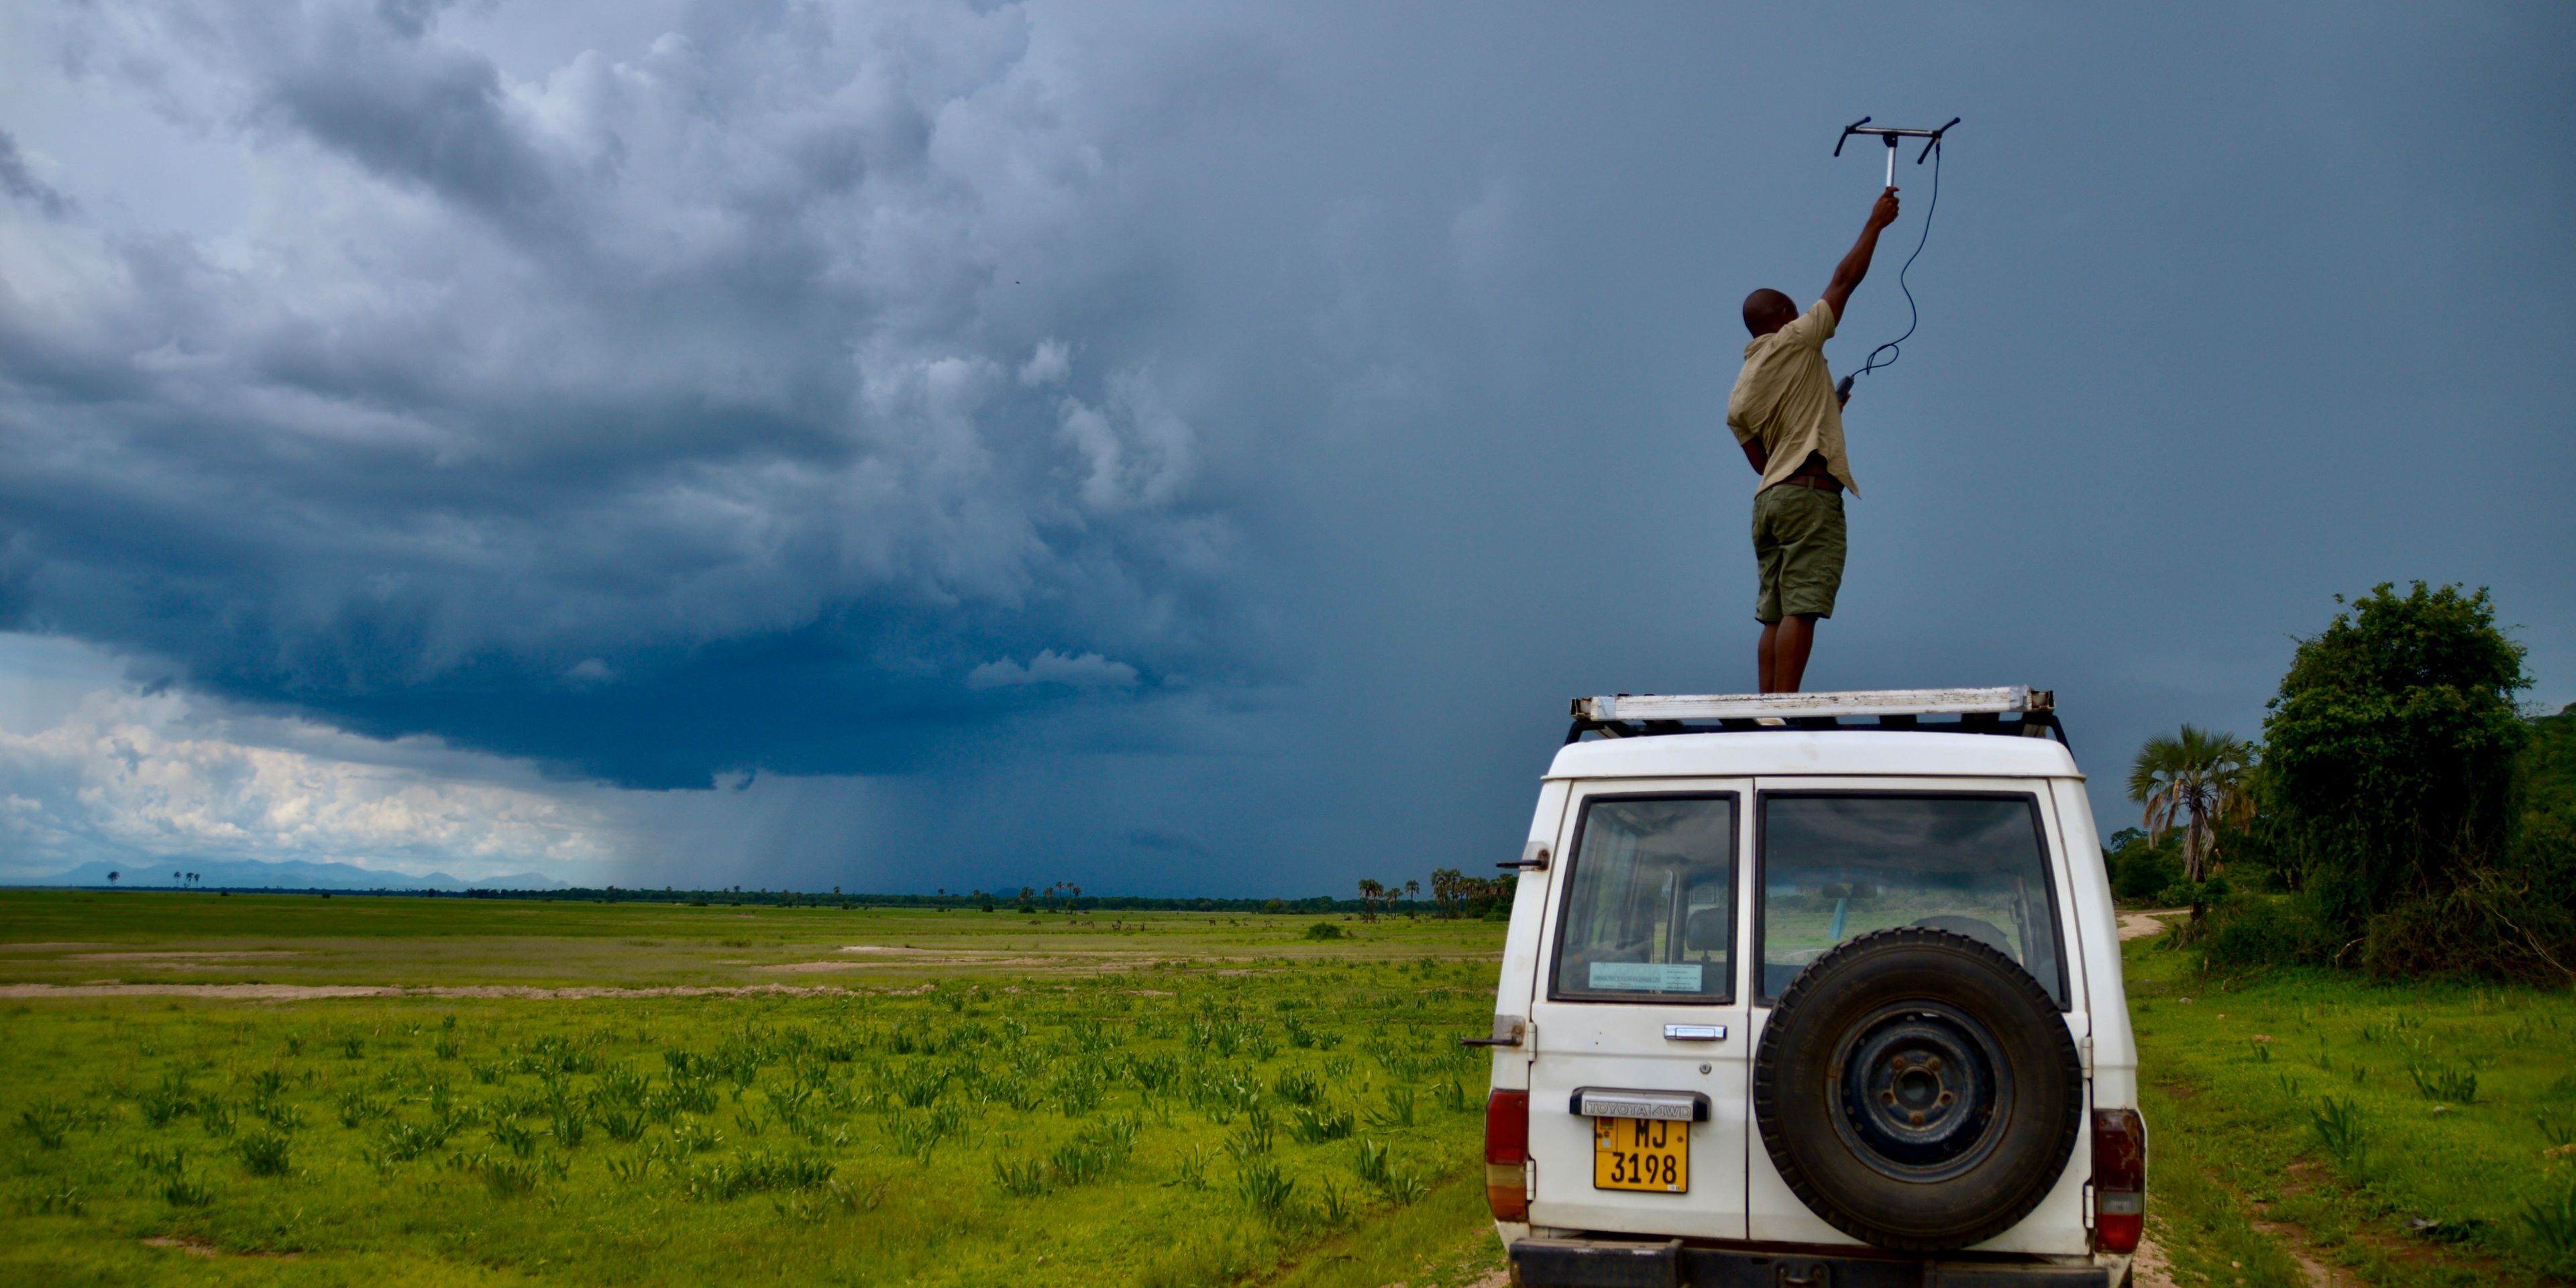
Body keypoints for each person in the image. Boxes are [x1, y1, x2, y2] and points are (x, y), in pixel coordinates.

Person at [1727, 186, 1901, 693]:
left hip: (1769, 503)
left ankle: (1767, 710)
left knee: (1774, 613)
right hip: (1808, 496)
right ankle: (1786, 709)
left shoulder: (1740, 390)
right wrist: (1876, 223)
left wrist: (1828, 411)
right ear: (1785, 314)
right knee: (1802, 606)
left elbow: (1762, 462)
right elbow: (1845, 280)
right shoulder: (1798, 339)